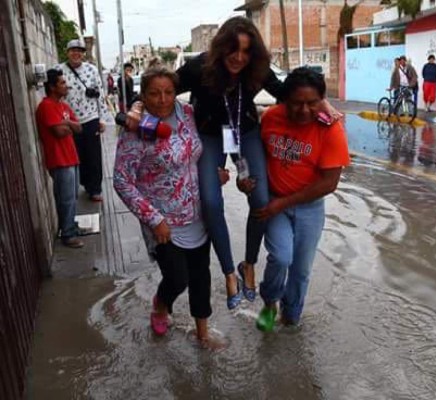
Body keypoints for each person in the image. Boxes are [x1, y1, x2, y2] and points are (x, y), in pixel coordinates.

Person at [151, 16, 340, 310]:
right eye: (233, 50)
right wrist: (139, 107)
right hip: (211, 134)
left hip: (245, 132)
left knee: (261, 198)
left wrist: (323, 103)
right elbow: (164, 86)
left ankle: (248, 264)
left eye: (246, 51)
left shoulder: (256, 69)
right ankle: (228, 271)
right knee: (211, 202)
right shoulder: (201, 67)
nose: (239, 58)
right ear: (221, 48)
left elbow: (285, 91)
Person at [113, 64, 224, 349]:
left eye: (168, 92)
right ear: (143, 96)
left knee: (201, 276)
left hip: (197, 212)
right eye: (154, 94)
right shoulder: (135, 130)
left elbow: (198, 153)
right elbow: (121, 180)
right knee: (177, 278)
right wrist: (153, 219)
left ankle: (202, 333)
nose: (162, 100)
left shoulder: (187, 114)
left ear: (177, 92)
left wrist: (215, 175)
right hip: (163, 219)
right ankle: (161, 304)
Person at [239, 68, 350, 331]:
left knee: (301, 271)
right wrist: (243, 179)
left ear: (322, 100)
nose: (303, 110)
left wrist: (284, 203)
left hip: (309, 208)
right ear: (284, 100)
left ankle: (291, 315)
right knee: (280, 257)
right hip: (275, 203)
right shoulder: (271, 117)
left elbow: (329, 183)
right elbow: (250, 153)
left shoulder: (330, 129)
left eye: (311, 103)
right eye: (296, 103)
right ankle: (269, 302)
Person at [56, 39, 112, 202]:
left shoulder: (91, 70)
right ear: (67, 52)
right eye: (73, 50)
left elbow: (100, 94)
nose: (76, 54)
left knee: (93, 155)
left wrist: (102, 119)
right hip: (70, 120)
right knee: (78, 155)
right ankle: (85, 183)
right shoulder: (59, 70)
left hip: (91, 117)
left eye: (79, 51)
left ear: (83, 53)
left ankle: (95, 189)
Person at [35, 69, 84, 248]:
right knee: (65, 198)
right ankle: (68, 234)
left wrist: (67, 123)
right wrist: (68, 125)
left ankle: (72, 226)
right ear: (52, 87)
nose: (66, 86)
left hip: (71, 157)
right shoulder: (47, 106)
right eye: (62, 83)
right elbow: (58, 132)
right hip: (59, 159)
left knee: (72, 197)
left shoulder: (63, 106)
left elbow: (78, 128)